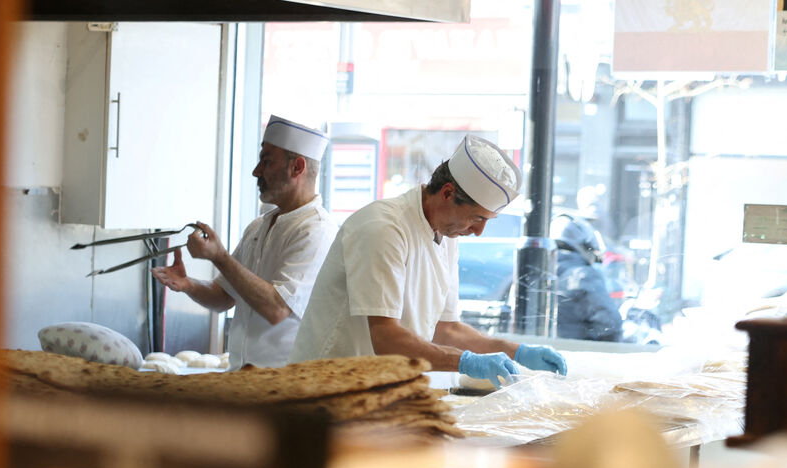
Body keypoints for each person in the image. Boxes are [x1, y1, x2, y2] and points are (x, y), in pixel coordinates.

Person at [289, 135, 567, 386]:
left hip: (377, 390)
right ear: (447, 193)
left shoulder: (447, 237)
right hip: (326, 389)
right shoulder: (383, 228)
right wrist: (465, 362)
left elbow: (446, 329)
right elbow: (386, 337)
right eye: (477, 218)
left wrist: (513, 350)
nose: (479, 231)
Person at [151, 115, 337, 369]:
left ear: (297, 167)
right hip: (242, 376)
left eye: (267, 161)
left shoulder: (317, 231)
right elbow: (224, 297)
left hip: (284, 383)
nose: (256, 171)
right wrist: (188, 284)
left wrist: (220, 257)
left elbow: (277, 309)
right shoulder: (258, 226)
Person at [551, 214, 623, 342]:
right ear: (583, 245)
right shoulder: (583, 275)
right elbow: (611, 324)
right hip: (574, 354)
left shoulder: (537, 270)